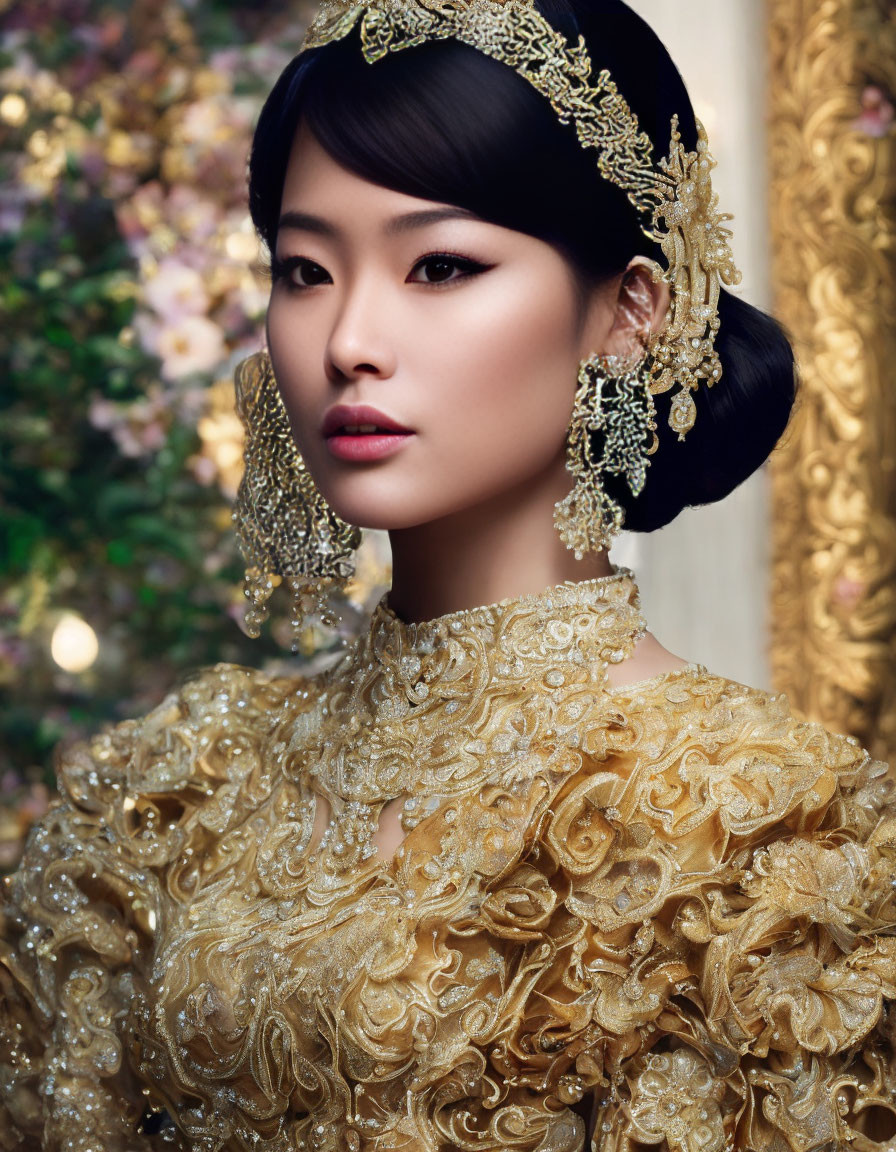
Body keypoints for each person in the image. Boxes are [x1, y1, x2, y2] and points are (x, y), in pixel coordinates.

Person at [2, 0, 895, 1148]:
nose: (347, 341)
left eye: (437, 264)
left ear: (627, 314)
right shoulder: (170, 787)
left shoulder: (766, 830)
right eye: (304, 270)